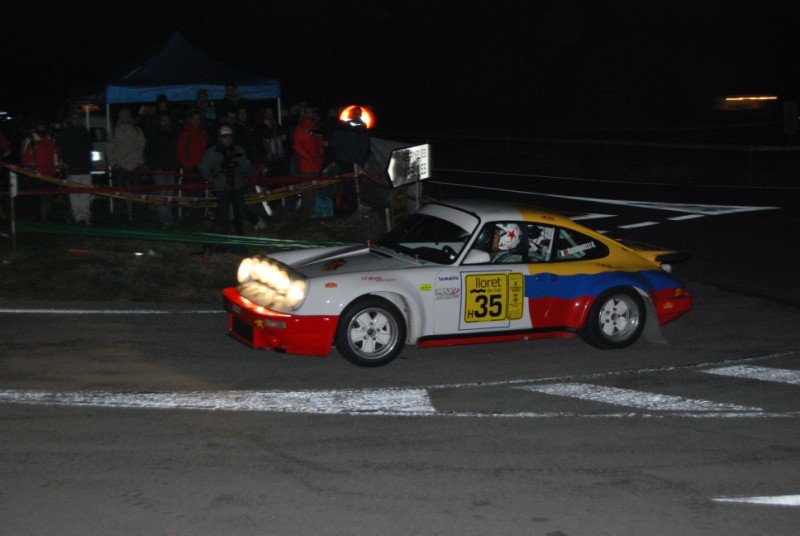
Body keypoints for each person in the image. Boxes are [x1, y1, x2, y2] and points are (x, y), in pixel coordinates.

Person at [200, 125, 251, 236]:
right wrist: (212, 179)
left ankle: (239, 234)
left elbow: (245, 165)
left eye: (229, 136)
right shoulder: (212, 152)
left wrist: (239, 167)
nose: (227, 139)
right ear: (220, 137)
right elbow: (204, 168)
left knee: (240, 211)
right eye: (224, 136)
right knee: (223, 213)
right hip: (221, 187)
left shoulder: (238, 149)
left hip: (237, 185)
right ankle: (223, 235)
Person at [107, 108, 146, 222]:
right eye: (123, 117)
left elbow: (142, 146)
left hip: (134, 166)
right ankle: (123, 217)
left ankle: (137, 217)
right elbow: (109, 149)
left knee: (137, 193)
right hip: (120, 166)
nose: (125, 119)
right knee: (120, 195)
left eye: (127, 117)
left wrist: (139, 161)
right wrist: (114, 163)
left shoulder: (136, 130)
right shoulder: (114, 131)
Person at [57, 111, 93, 224]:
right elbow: (63, 149)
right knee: (75, 193)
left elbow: (89, 148)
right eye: (74, 118)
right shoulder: (67, 132)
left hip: (85, 167)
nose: (77, 120)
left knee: (85, 193)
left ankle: (85, 216)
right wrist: (65, 161)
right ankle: (78, 217)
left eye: (78, 118)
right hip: (74, 167)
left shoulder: (84, 131)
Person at [21, 120, 60, 221]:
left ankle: (48, 215)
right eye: (40, 126)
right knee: (39, 197)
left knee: (49, 196)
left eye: (43, 126)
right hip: (37, 173)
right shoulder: (31, 139)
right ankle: (40, 217)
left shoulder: (50, 139)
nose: (42, 129)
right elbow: (25, 156)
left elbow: (55, 154)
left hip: (50, 172)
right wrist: (28, 170)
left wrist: (56, 169)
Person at [144, 112, 178, 228]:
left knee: (169, 196)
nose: (165, 122)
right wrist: (153, 166)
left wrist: (174, 164)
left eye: (167, 120)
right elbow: (148, 151)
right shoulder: (154, 134)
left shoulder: (172, 134)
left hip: (170, 169)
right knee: (162, 195)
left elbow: (174, 151)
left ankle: (168, 220)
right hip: (159, 169)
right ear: (159, 121)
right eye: (163, 120)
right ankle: (165, 222)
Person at [176, 110, 210, 221]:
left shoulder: (202, 133)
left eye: (198, 119)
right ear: (190, 120)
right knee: (193, 193)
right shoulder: (185, 133)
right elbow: (181, 152)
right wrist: (188, 166)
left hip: (201, 168)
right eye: (194, 119)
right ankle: (194, 217)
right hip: (191, 168)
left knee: (200, 193)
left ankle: (198, 216)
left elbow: (205, 150)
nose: (196, 121)